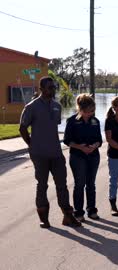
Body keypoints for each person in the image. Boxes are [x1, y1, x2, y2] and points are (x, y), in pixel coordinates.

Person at [19, 76, 81, 228]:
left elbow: (53, 126)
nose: (53, 90)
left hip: (56, 153)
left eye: (54, 87)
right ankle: (44, 218)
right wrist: (31, 145)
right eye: (50, 87)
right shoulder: (31, 107)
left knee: (62, 185)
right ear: (41, 89)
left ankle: (67, 215)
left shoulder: (57, 106)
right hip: (39, 154)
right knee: (42, 185)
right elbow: (22, 128)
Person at [63, 94, 103, 222]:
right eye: (87, 111)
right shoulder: (72, 121)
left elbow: (99, 140)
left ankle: (91, 210)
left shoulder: (95, 121)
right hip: (78, 156)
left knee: (91, 184)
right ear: (80, 109)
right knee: (79, 184)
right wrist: (80, 147)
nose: (89, 114)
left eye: (92, 111)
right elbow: (66, 141)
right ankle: (78, 212)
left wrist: (95, 145)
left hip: (93, 156)